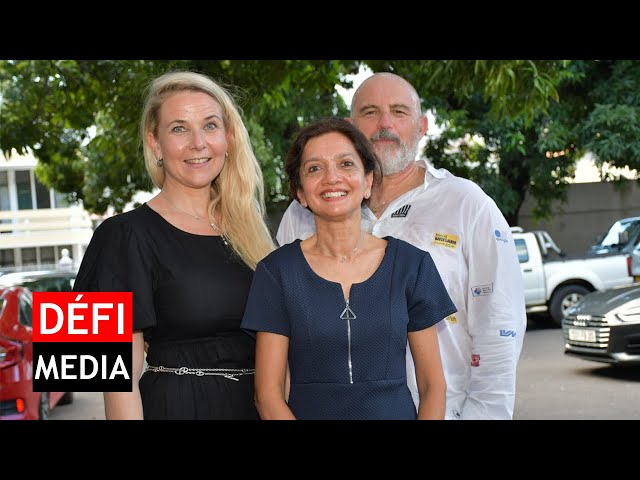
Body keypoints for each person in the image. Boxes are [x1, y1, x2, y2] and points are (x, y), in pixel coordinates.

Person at [277, 72, 527, 420]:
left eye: (399, 111)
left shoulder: (466, 204)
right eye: (369, 112)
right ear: (350, 126)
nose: (384, 124)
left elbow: (499, 322)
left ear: (422, 125)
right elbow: (282, 338)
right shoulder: (304, 213)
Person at [73, 71, 276, 420]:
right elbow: (108, 380)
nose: (198, 143)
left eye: (210, 126)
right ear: (155, 143)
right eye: (179, 128)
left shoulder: (255, 234)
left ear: (228, 137)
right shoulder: (118, 235)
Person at [241, 117, 456, 420]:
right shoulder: (276, 273)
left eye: (346, 164)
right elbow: (268, 395)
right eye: (315, 168)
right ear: (300, 192)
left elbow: (433, 386)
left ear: (368, 181)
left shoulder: (411, 265)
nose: (332, 178)